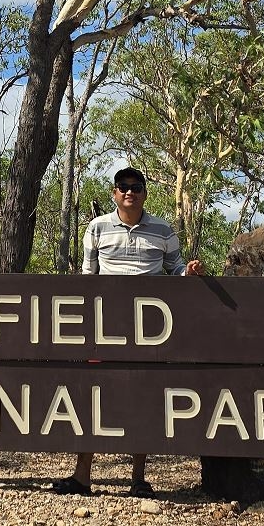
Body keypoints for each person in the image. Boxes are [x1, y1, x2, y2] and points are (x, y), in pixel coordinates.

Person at [52, 167, 205, 497]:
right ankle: (82, 476)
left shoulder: (164, 230)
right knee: (93, 396)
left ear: (144, 192)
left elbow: (176, 269)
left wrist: (188, 271)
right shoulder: (97, 228)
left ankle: (138, 478)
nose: (129, 192)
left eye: (136, 187)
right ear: (114, 192)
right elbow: (87, 276)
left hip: (149, 330)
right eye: (123, 187)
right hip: (105, 326)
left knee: (144, 398)